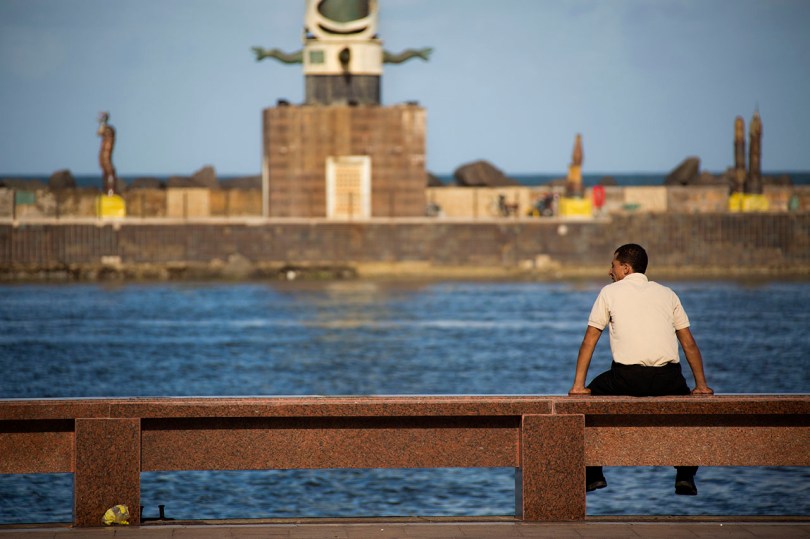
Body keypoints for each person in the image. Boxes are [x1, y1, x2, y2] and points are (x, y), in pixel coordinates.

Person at [568, 243, 714, 495]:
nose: (609, 271)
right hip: (669, 378)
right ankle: (685, 475)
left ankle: (593, 473)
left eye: (613, 266)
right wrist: (700, 385)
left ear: (625, 268)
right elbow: (688, 342)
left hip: (626, 378)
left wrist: (578, 386)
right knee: (688, 417)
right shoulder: (667, 294)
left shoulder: (609, 293)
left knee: (588, 402)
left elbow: (589, 340)